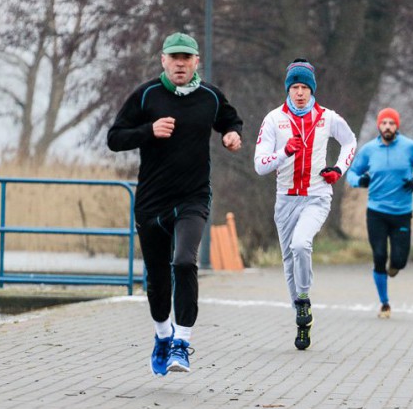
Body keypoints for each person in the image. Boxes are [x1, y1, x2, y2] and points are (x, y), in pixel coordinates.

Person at [107, 32, 243, 376]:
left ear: (196, 61)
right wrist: (148, 131)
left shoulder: (210, 97)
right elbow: (114, 137)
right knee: (157, 279)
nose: (180, 64)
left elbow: (230, 119)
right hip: (152, 201)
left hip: (192, 197)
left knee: (184, 262)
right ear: (163, 61)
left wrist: (231, 135)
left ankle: (182, 342)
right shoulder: (147, 95)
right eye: (174, 58)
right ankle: (163, 335)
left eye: (187, 58)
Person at [254, 58, 357, 350]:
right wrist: (284, 152)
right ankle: (302, 317)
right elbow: (260, 165)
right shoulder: (274, 119)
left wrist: (338, 169)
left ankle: (303, 298)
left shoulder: (327, 117)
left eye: (304, 87)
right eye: (295, 87)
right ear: (288, 89)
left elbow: (350, 142)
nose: (300, 93)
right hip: (285, 199)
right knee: (289, 259)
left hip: (317, 195)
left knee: (301, 245)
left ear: (312, 90)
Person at [346, 108, 413, 319]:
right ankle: (384, 303)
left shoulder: (409, 147)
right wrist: (360, 181)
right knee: (379, 256)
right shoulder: (369, 150)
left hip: (402, 212)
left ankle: (395, 266)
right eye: (383, 123)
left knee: (399, 261)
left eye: (391, 123)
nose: (387, 127)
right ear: (378, 126)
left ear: (397, 126)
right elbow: (352, 173)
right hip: (376, 212)